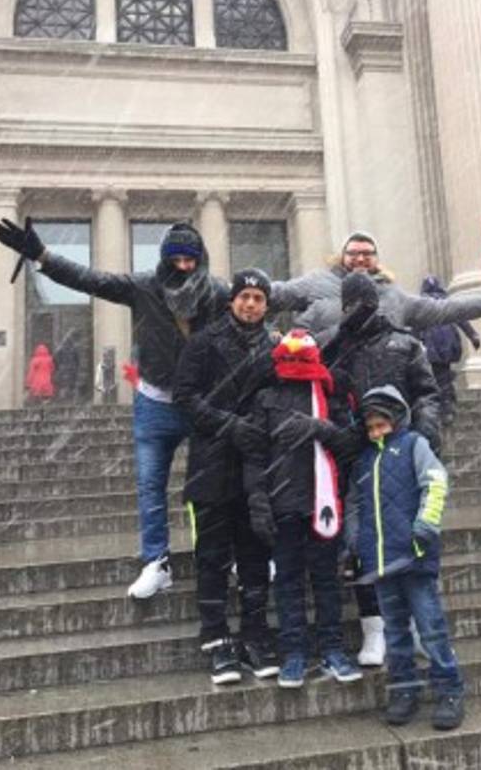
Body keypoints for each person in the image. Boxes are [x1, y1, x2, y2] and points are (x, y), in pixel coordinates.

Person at [0, 218, 229, 596]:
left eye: (191, 259)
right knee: (150, 486)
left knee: (215, 485)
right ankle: (156, 562)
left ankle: (222, 553)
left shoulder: (216, 293)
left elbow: (259, 302)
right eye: (177, 259)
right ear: (165, 259)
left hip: (202, 403)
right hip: (155, 403)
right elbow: (91, 280)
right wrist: (43, 256)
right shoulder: (143, 287)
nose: (184, 267)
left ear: (200, 259)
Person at [323, 271, 442, 668]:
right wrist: (346, 435)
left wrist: (423, 438)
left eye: (364, 302)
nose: (358, 310)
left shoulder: (404, 343)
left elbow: (426, 393)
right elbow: (328, 398)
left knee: (410, 537)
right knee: (362, 542)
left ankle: (416, 624)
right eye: (351, 304)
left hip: (401, 450)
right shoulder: (336, 349)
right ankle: (373, 626)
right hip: (358, 455)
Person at [174, 269, 279, 684]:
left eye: (258, 298)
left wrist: (260, 425)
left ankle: (255, 634)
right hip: (212, 464)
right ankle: (216, 639)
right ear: (232, 300)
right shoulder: (204, 342)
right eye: (244, 297)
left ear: (266, 305)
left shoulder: (274, 347)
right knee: (212, 557)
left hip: (255, 467)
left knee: (255, 556)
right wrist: (228, 424)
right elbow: (185, 397)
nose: (250, 304)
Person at [245, 328, 362, 688]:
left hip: (322, 503)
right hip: (283, 504)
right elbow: (255, 454)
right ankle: (294, 651)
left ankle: (332, 648)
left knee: (326, 580)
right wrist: (258, 501)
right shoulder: (265, 398)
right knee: (288, 581)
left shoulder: (329, 394)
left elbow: (350, 445)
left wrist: (321, 429)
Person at [346, 385, 465, 730]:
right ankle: (404, 690)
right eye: (370, 428)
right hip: (380, 563)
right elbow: (354, 505)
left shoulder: (414, 445)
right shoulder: (364, 461)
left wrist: (425, 525)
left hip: (414, 557)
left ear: (396, 420)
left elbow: (435, 482)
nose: (375, 433)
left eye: (381, 425)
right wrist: (354, 541)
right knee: (395, 632)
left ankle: (450, 689)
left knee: (431, 628)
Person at [270, 230, 481, 337]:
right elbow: (275, 294)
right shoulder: (316, 282)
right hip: (328, 385)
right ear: (342, 256)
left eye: (367, 254)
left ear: (376, 259)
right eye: (353, 253)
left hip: (377, 393)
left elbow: (441, 309)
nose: (360, 258)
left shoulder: (392, 295)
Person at [416, 275, 481, 425]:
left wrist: (414, 342)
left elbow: (415, 326)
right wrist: (473, 335)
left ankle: (442, 409)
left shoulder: (422, 304)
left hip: (432, 346)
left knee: (435, 377)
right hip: (447, 345)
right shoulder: (447, 302)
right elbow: (462, 319)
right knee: (443, 376)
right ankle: (448, 403)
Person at [53, 329, 80, 403]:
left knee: (64, 387)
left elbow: (55, 358)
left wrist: (59, 367)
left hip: (64, 370)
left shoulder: (61, 347)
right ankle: (71, 402)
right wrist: (75, 367)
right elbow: (77, 360)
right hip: (71, 370)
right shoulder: (74, 347)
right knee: (71, 387)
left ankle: (64, 402)